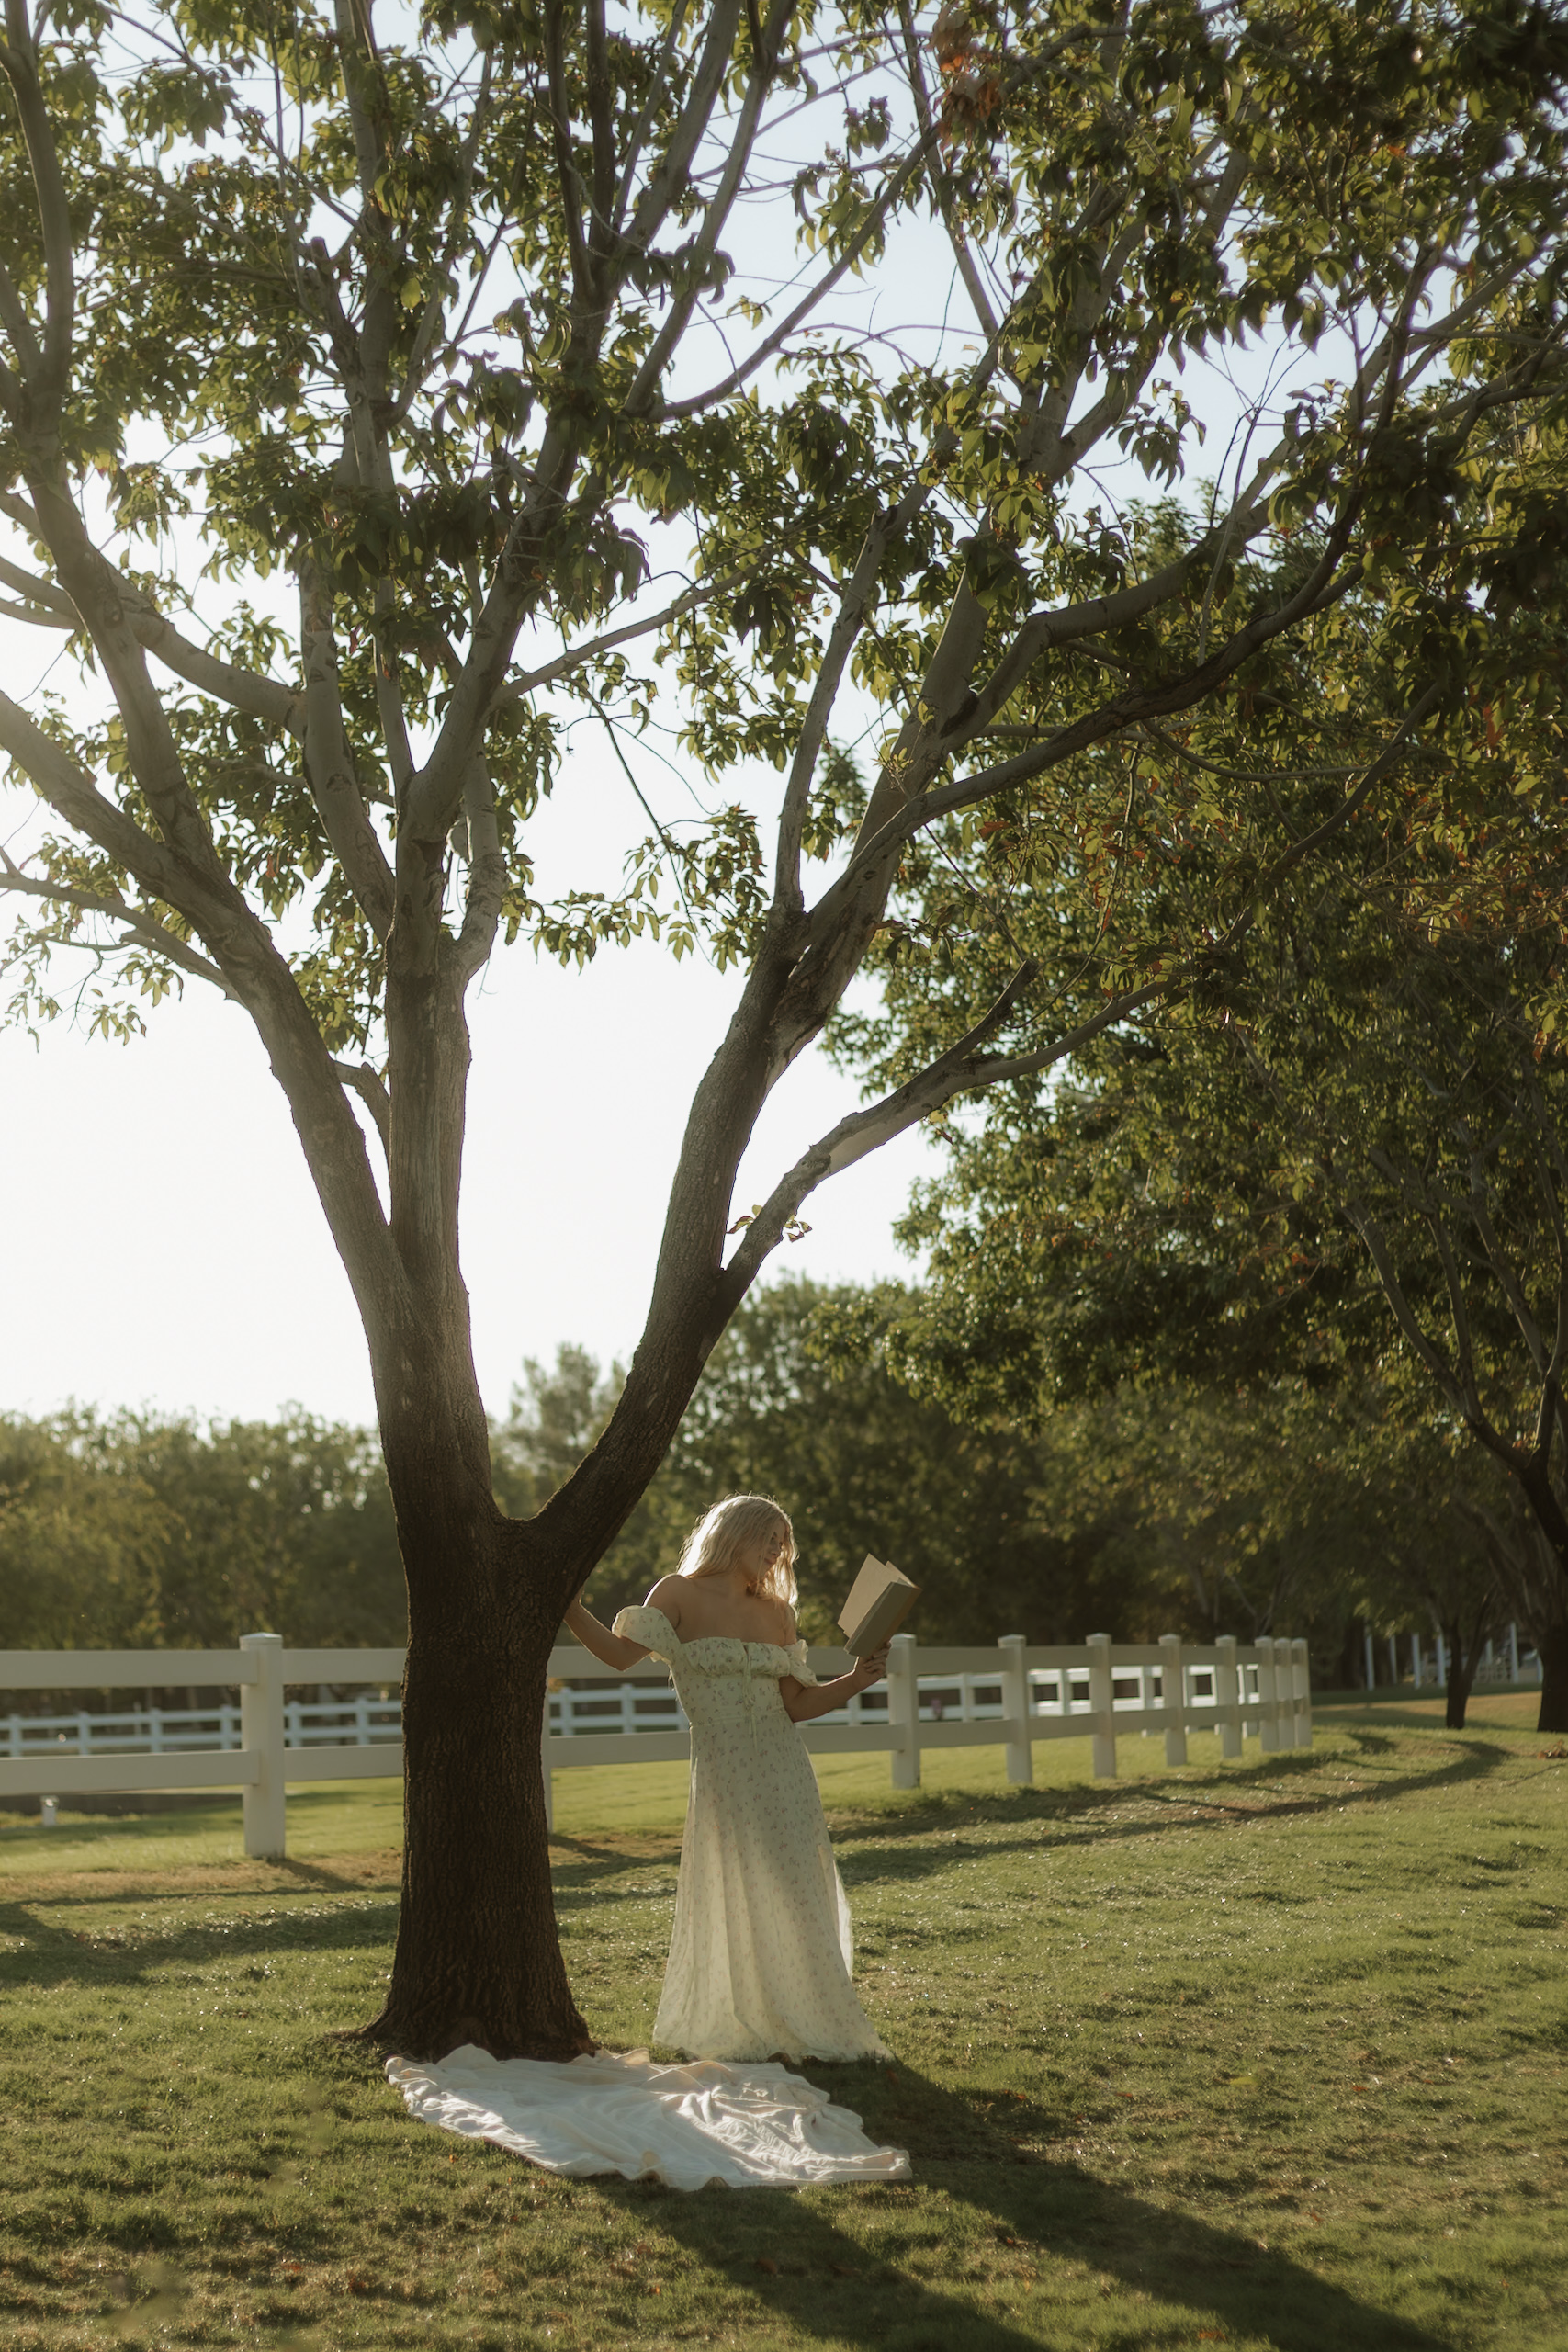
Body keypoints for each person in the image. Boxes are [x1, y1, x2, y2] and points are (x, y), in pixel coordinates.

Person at [562, 1492, 893, 2064]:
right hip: (723, 1769)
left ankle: (812, 2014)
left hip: (784, 1766)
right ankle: (748, 2016)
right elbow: (618, 1656)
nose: (775, 1552)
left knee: (796, 1889)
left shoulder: (778, 1612)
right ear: (733, 1532)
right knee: (736, 1889)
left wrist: (857, 1680)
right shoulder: (678, 1593)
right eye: (767, 1538)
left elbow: (796, 1704)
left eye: (781, 1545)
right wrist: (567, 1606)